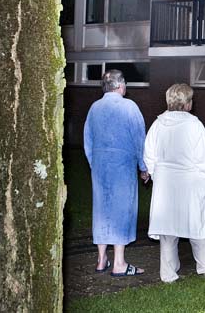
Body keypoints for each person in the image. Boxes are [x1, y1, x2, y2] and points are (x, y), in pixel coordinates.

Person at [144, 84, 205, 282]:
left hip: (166, 183)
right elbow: (204, 157)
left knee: (168, 229)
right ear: (187, 103)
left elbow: (148, 154)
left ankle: (168, 273)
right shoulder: (194, 125)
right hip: (190, 181)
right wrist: (204, 179)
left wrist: (156, 174)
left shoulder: (158, 124)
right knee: (197, 225)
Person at [84, 69, 148, 277]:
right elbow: (139, 139)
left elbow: (88, 140)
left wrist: (94, 163)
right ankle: (119, 263)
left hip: (101, 166)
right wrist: (144, 167)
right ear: (120, 86)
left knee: (101, 210)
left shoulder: (94, 107)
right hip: (122, 165)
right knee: (122, 209)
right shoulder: (129, 107)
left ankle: (101, 259)